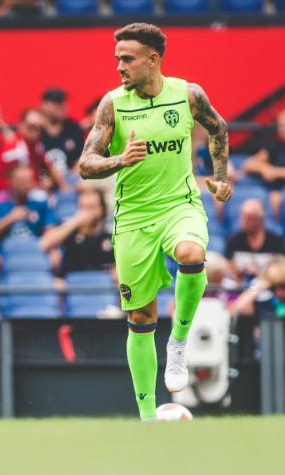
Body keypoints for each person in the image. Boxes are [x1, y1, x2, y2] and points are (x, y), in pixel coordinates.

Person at [78, 23, 232, 421]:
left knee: (191, 252)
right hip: (133, 219)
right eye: (117, 60)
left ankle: (178, 344)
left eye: (127, 59)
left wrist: (222, 178)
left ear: (153, 59)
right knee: (141, 317)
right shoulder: (112, 104)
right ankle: (148, 420)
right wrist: (119, 160)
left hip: (179, 204)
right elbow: (85, 164)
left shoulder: (188, 94)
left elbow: (218, 128)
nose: (119, 67)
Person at [0, 108, 65, 199]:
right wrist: (42, 187)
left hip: (23, 194)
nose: (35, 131)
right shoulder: (14, 150)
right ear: (21, 126)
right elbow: (20, 185)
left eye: (39, 128)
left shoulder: (36, 146)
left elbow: (49, 167)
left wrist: (62, 186)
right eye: (31, 126)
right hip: (4, 197)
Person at [0, 165, 58, 258]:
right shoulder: (0, 202)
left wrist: (53, 251)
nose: (27, 185)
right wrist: (10, 219)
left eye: (29, 181)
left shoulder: (40, 201)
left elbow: (49, 229)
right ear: (12, 182)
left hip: (34, 252)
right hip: (6, 255)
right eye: (22, 181)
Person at [40, 188, 114, 276]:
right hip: (71, 286)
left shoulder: (110, 235)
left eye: (91, 207)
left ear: (101, 209)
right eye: (82, 207)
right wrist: (75, 222)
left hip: (101, 286)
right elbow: (44, 244)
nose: (86, 212)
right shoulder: (69, 231)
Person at [224, 199, 284, 281]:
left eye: (250, 218)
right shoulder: (233, 240)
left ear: (261, 220)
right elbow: (228, 268)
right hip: (239, 285)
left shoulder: (275, 241)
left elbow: (281, 271)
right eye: (243, 216)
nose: (244, 221)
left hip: (267, 285)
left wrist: (261, 274)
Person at [242, 108, 285, 221]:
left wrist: (276, 173)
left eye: (283, 126)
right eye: (279, 126)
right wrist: (264, 168)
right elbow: (248, 164)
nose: (280, 130)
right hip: (270, 191)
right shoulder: (276, 146)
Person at [40, 87, 85, 176]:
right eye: (56, 102)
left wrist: (72, 179)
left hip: (71, 178)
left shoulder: (73, 128)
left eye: (64, 101)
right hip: (43, 181)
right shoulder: (36, 130)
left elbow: (81, 158)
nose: (62, 105)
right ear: (44, 105)